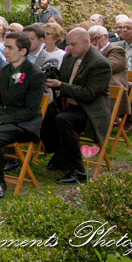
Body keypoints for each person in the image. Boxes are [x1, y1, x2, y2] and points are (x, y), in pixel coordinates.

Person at [41, 28, 111, 184]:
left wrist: (61, 85)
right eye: (68, 44)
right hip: (69, 104)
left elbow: (89, 94)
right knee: (44, 113)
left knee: (63, 120)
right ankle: (59, 154)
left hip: (90, 111)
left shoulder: (100, 64)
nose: (69, 48)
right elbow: (64, 79)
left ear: (86, 42)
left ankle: (78, 170)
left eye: (73, 44)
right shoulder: (69, 57)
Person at [0, 32, 46, 199]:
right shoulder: (4, 72)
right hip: (5, 120)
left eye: (10, 48)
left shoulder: (36, 74)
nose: (5, 51)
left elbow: (30, 111)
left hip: (25, 124)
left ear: (23, 51)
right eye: (5, 47)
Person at [89, 25, 128, 116]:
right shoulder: (90, 52)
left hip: (112, 91)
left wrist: (94, 53)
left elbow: (107, 68)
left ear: (106, 37)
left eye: (96, 38)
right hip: (96, 89)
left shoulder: (117, 50)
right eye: (91, 40)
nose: (93, 42)